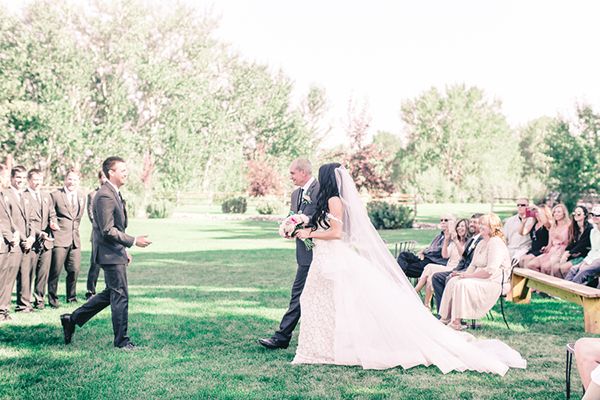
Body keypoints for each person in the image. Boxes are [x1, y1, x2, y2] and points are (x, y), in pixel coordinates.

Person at [292, 163, 526, 374]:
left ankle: (333, 347)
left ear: (327, 178)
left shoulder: (334, 200)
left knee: (333, 302)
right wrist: (299, 224)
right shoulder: (330, 200)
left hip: (334, 258)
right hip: (326, 258)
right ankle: (326, 345)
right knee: (324, 303)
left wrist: (308, 232)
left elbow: (336, 233)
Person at [60, 156, 152, 350]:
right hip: (108, 254)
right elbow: (107, 230)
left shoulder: (114, 193)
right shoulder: (105, 195)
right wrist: (133, 241)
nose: (126, 173)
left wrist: (123, 250)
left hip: (114, 251)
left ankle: (72, 319)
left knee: (111, 293)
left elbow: (115, 227)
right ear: (111, 172)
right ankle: (122, 341)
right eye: (123, 170)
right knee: (120, 295)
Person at [258, 159, 319, 350]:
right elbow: (291, 216)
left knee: (301, 295)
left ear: (303, 172)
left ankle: (282, 336)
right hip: (304, 253)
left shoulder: (321, 190)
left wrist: (305, 225)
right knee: (299, 295)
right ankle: (283, 336)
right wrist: (287, 228)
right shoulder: (295, 194)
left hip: (320, 251)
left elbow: (322, 218)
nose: (290, 177)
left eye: (292, 173)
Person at [438, 214, 512, 330]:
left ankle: (456, 322)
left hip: (493, 281)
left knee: (461, 284)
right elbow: (472, 265)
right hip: (479, 277)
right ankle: (445, 318)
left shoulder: (496, 243)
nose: (480, 226)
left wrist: (468, 276)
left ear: (492, 227)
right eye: (480, 224)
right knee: (454, 280)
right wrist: (462, 274)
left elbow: (490, 271)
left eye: (484, 224)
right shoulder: (482, 243)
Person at [19, 169, 57, 311]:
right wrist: (38, 233)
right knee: (27, 273)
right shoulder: (24, 196)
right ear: (29, 180)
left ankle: (39, 300)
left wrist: (53, 223)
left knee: (43, 273)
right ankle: (25, 302)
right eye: (35, 179)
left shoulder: (46, 195)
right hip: (31, 240)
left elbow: (52, 213)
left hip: (46, 241)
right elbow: (26, 221)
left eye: (40, 179)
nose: (38, 182)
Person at [0, 166, 35, 318]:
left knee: (21, 278)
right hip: (13, 242)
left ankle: (11, 308)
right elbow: (6, 220)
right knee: (7, 280)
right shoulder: (5, 195)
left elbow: (32, 219)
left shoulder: (26, 196)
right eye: (17, 178)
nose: (20, 181)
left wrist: (32, 237)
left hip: (25, 243)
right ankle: (2, 309)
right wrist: (18, 237)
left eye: (22, 178)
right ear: (12, 178)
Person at [48, 168, 86, 307]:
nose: (72, 182)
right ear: (65, 180)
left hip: (75, 239)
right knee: (55, 271)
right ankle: (52, 299)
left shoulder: (82, 196)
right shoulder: (55, 195)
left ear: (78, 181)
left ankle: (71, 297)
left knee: (74, 270)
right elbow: (50, 213)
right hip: (59, 238)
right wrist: (52, 223)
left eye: (75, 179)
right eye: (70, 179)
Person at [431, 214, 483, 313]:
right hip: (461, 268)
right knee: (436, 277)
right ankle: (442, 312)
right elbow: (463, 259)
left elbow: (472, 262)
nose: (471, 224)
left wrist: (461, 272)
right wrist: (456, 270)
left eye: (475, 222)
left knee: (449, 278)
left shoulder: (480, 240)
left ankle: (451, 314)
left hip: (471, 272)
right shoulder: (473, 239)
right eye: (471, 222)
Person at [414, 218, 469, 310]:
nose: (459, 228)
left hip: (457, 269)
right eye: (458, 226)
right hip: (448, 267)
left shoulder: (468, 243)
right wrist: (446, 241)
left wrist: (455, 241)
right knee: (429, 269)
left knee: (430, 269)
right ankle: (425, 304)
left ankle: (416, 295)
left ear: (467, 228)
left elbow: (464, 256)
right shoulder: (454, 242)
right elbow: (445, 255)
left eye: (462, 226)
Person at [526, 203, 571, 275]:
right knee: (531, 265)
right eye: (554, 212)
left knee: (545, 267)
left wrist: (537, 209)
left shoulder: (569, 226)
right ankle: (538, 284)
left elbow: (567, 241)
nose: (556, 214)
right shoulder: (553, 226)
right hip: (552, 250)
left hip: (561, 250)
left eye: (559, 212)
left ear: (564, 214)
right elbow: (550, 244)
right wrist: (546, 248)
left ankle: (550, 284)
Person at [553, 206, 592, 278]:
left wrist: (568, 254)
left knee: (564, 268)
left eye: (579, 213)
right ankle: (559, 286)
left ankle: (567, 286)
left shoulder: (589, 228)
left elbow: (582, 244)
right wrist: (566, 251)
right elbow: (571, 242)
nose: (576, 215)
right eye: (575, 213)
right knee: (555, 268)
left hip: (583, 255)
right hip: (573, 254)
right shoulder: (574, 227)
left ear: (585, 215)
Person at [85, 171, 107, 299]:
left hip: (112, 235)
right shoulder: (93, 194)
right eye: (102, 177)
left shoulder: (115, 193)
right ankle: (90, 290)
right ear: (99, 178)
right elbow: (91, 215)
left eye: (106, 177)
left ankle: (108, 289)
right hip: (98, 234)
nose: (104, 179)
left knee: (110, 263)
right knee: (95, 263)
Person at [565, 206, 600, 285]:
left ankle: (572, 291)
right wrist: (585, 261)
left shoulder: (590, 229)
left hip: (598, 260)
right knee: (573, 269)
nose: (594, 217)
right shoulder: (593, 231)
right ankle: (563, 290)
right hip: (592, 258)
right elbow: (593, 250)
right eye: (593, 215)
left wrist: (589, 263)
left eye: (597, 215)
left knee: (584, 270)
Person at [0, 164, 17, 322]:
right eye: (4, 176)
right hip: (2, 242)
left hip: (5, 244)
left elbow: (8, 219)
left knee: (5, 279)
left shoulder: (3, 195)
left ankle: (2, 310)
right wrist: (10, 236)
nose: (7, 179)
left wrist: (15, 231)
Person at [518, 204, 551, 269]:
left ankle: (527, 278)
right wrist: (523, 222)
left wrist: (537, 208)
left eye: (539, 212)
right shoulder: (534, 223)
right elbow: (522, 233)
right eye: (536, 212)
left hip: (542, 250)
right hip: (534, 249)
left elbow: (545, 222)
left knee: (527, 259)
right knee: (521, 259)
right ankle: (525, 278)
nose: (537, 214)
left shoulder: (547, 224)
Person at [503, 198, 532, 265]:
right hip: (510, 248)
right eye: (518, 205)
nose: (520, 207)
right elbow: (504, 238)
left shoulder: (532, 220)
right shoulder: (510, 221)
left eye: (523, 205)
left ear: (528, 206)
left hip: (524, 250)